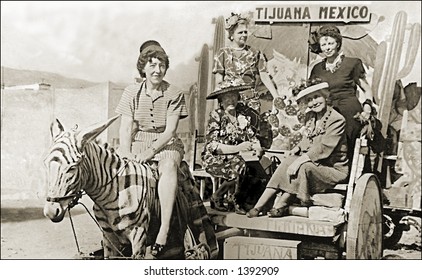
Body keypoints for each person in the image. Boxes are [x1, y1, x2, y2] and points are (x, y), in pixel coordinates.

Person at [115, 40, 188, 258]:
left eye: (161, 65)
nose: (157, 70)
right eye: (152, 65)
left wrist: (151, 152)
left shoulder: (174, 93)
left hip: (166, 143)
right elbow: (126, 127)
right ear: (143, 68)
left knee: (167, 166)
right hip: (139, 140)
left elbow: (170, 131)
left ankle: (164, 229)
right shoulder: (131, 92)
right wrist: (126, 153)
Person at [247, 81, 349, 218]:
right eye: (309, 100)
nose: (314, 102)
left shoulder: (337, 119)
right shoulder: (311, 117)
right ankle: (259, 205)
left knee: (302, 167)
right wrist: (297, 149)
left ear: (326, 97)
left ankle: (281, 204)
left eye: (317, 97)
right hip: (315, 163)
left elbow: (324, 147)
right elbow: (307, 139)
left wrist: (298, 161)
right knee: (289, 161)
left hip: (332, 169)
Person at [308, 25, 375, 161]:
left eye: (330, 43)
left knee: (349, 149)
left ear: (337, 43)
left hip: (349, 112)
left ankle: (349, 178)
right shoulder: (316, 69)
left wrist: (367, 107)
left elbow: (367, 89)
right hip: (327, 114)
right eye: (324, 44)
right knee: (326, 148)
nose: (327, 48)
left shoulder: (352, 63)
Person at [201, 83, 263, 215]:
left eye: (234, 96)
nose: (231, 100)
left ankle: (244, 200)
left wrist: (257, 148)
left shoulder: (242, 116)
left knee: (259, 167)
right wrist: (238, 148)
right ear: (221, 101)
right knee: (240, 165)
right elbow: (212, 146)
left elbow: (252, 137)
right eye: (227, 97)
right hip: (216, 157)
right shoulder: (216, 116)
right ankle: (231, 199)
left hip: (238, 157)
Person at [213, 12, 279, 107]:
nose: (244, 35)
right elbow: (219, 81)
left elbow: (264, 75)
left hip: (251, 103)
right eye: (240, 32)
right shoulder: (222, 53)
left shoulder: (255, 53)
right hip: (230, 102)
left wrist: (276, 97)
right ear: (231, 35)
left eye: (245, 32)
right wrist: (218, 106)